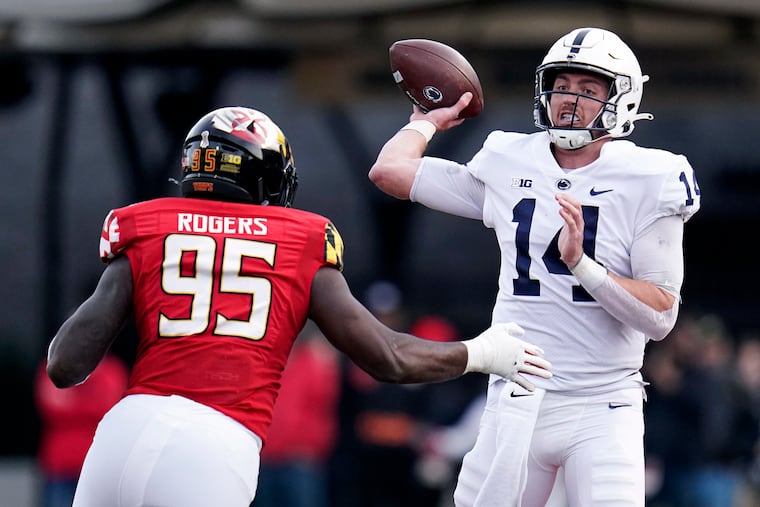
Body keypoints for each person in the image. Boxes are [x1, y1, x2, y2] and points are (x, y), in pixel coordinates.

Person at [45, 106, 552, 507]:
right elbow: (388, 358)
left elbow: (65, 366)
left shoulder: (145, 226)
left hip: (122, 432)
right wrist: (482, 353)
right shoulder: (301, 239)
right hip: (214, 443)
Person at [368, 27, 701, 507]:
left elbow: (661, 316)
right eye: (563, 85)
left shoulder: (650, 177)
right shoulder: (509, 158)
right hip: (517, 394)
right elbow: (390, 172)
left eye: (589, 90)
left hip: (602, 403)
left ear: (622, 98)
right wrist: (427, 121)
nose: (571, 100)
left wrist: (582, 265)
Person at [34, 353, 128, 507]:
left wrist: (73, 400)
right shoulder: (52, 367)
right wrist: (92, 399)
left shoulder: (111, 369)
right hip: (59, 467)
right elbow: (50, 407)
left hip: (96, 467)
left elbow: (111, 408)